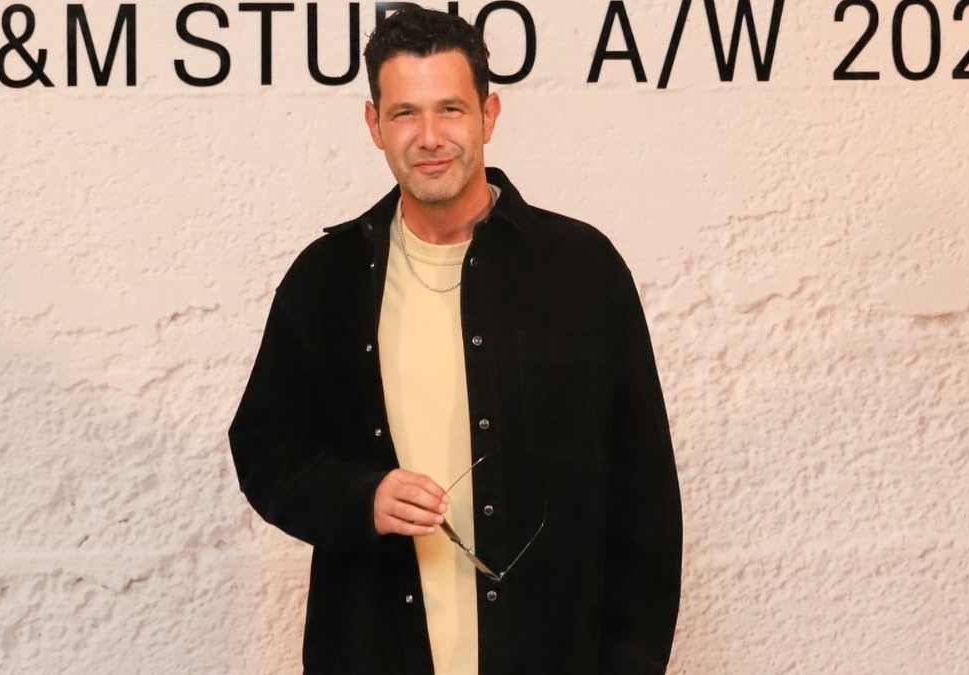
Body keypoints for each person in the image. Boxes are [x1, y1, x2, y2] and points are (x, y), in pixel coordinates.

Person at [228, 8, 681, 675]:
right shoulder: (326, 280)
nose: (430, 137)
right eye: (405, 113)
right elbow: (265, 446)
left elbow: (645, 498)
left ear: (488, 115)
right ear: (374, 125)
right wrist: (361, 498)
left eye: (451, 109)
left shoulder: (583, 270)